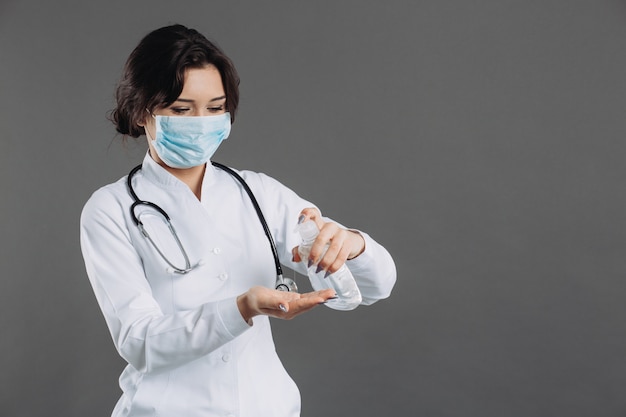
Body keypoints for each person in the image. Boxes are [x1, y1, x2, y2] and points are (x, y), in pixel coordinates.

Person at [80, 24, 396, 417]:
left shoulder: (257, 193)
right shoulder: (111, 209)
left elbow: (377, 285)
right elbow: (140, 341)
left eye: (215, 108)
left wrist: (352, 245)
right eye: (181, 110)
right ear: (143, 113)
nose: (201, 121)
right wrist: (242, 308)